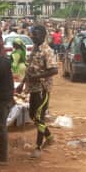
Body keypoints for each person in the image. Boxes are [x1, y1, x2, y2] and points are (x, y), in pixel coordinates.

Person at [21, 26, 59, 159]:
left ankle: (38, 146)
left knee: (39, 116)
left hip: (43, 88)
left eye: (36, 35)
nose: (33, 37)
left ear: (43, 35)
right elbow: (30, 69)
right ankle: (49, 136)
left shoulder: (47, 50)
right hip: (33, 89)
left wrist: (36, 77)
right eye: (32, 35)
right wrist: (22, 84)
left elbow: (54, 70)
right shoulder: (35, 49)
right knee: (32, 115)